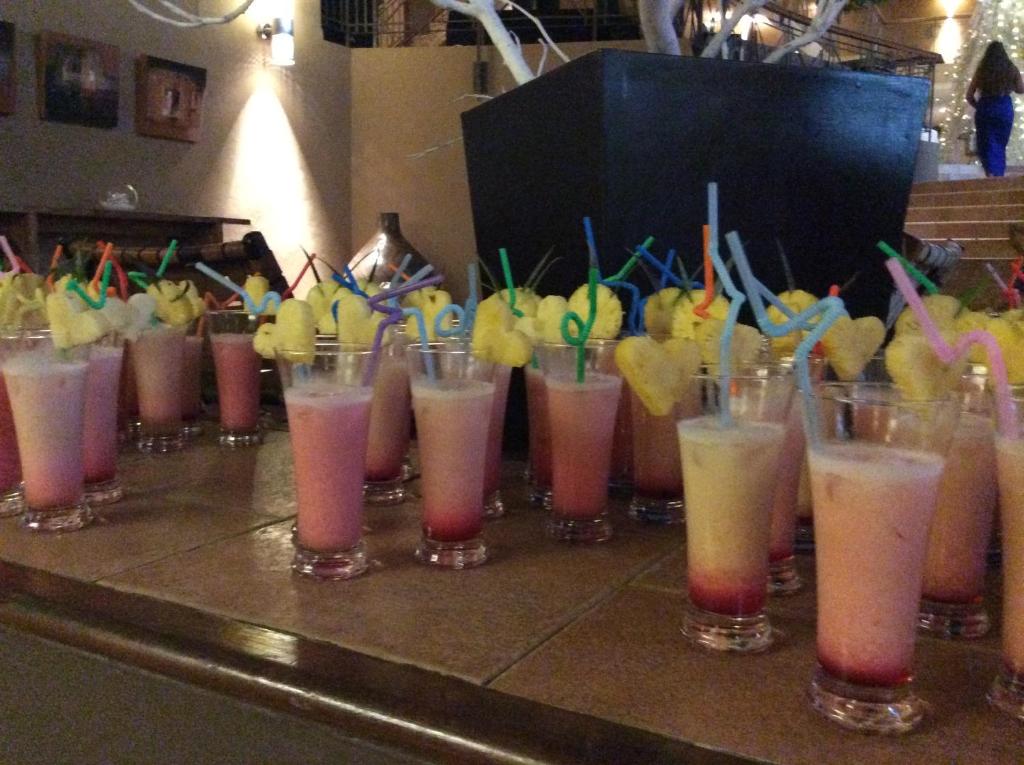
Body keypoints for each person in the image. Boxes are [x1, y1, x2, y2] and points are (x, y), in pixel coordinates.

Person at [966, 41, 1024, 178]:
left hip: (985, 107)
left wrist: (979, 107)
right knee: (1000, 144)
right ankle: (998, 174)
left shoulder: (982, 70)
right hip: (1004, 108)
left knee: (986, 144)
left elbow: (969, 96)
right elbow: (1020, 89)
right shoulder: (1011, 68)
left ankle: (991, 173)